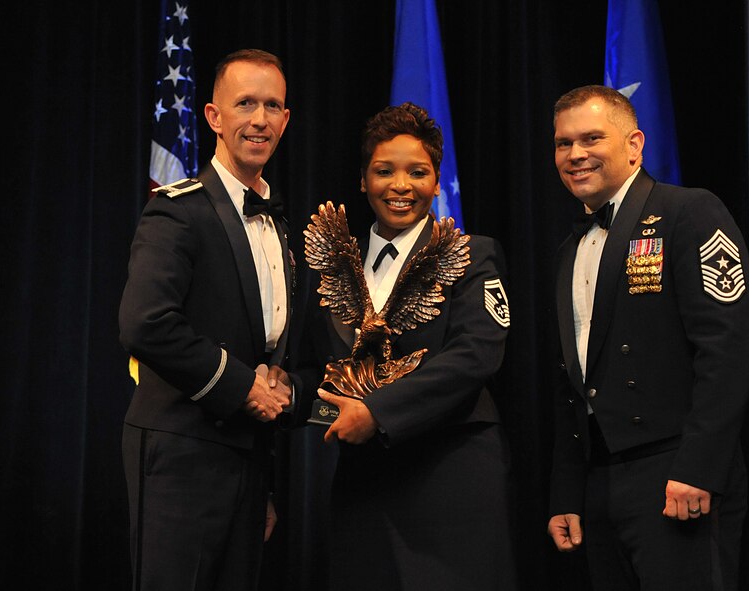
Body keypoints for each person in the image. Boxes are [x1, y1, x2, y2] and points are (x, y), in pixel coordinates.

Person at [546, 85, 749, 590]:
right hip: (600, 481)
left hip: (677, 472)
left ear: (634, 145)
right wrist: (568, 492)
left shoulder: (690, 211)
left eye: (592, 138)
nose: (575, 154)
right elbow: (572, 380)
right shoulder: (570, 247)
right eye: (563, 143)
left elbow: (726, 349)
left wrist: (699, 468)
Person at [302, 102, 517, 590]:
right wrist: (281, 391)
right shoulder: (334, 266)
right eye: (384, 171)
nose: (400, 185)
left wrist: (376, 413)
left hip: (452, 478)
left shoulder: (472, 254)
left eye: (417, 172)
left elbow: (476, 356)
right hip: (363, 486)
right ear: (363, 180)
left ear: (437, 182)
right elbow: (323, 369)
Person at [119, 49, 300, 590]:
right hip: (183, 451)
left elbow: (268, 347)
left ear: (286, 120)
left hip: (250, 460)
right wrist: (242, 386)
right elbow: (145, 323)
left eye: (272, 106)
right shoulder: (177, 209)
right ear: (214, 117)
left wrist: (266, 478)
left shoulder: (281, 226)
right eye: (245, 104)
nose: (260, 119)